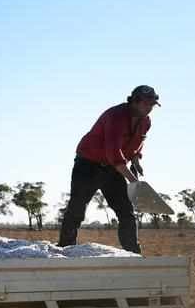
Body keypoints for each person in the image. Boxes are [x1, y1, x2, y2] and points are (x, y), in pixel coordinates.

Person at [57, 85, 160, 253]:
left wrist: (136, 159)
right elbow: (113, 152)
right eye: (146, 104)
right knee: (77, 208)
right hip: (88, 164)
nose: (149, 108)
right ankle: (65, 248)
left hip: (112, 169)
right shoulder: (116, 116)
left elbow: (136, 144)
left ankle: (133, 254)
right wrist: (133, 181)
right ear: (134, 102)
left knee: (126, 211)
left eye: (152, 105)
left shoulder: (145, 122)